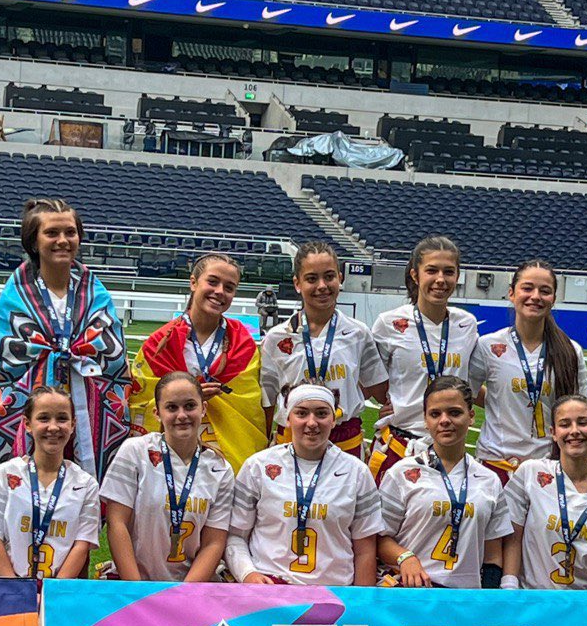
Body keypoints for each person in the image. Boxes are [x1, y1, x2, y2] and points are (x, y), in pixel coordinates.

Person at [0, 197, 130, 503]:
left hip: (85, 414)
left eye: (70, 232)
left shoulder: (95, 293)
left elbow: (114, 354)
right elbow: (1, 358)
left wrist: (78, 353)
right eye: (52, 233)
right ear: (34, 241)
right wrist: (56, 354)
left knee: (79, 499)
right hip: (31, 412)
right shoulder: (16, 295)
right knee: (21, 497)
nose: (63, 240)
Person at [225, 384, 384, 586]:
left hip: (332, 592)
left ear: (333, 419)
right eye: (301, 413)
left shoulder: (357, 472)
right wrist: (248, 574)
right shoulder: (257, 467)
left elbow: (365, 550)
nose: (312, 423)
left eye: (321, 413)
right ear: (287, 418)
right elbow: (235, 536)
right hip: (270, 588)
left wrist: (360, 600)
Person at [130, 251, 268, 474]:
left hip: (228, 456)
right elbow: (141, 400)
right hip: (170, 452)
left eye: (229, 287)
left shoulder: (243, 344)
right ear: (193, 282)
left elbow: (249, 408)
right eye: (212, 282)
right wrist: (189, 397)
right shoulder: (160, 343)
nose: (220, 291)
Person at [101, 371, 234, 582]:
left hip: (191, 586)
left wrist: (182, 594)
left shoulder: (220, 469)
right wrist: (137, 589)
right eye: (172, 407)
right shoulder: (135, 452)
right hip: (134, 581)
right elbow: (117, 522)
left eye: (190, 406)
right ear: (157, 413)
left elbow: (213, 542)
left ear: (203, 409)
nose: (182, 415)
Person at [378, 376, 510, 589]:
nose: (445, 420)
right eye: (435, 414)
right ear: (425, 420)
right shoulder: (401, 473)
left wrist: (486, 598)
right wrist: (405, 558)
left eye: (454, 412)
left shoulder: (489, 480)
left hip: (464, 599)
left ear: (471, 417)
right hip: (413, 593)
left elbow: (493, 555)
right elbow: (379, 538)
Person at [368, 235, 478, 485]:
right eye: (432, 270)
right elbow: (370, 378)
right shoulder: (389, 323)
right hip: (400, 445)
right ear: (415, 275)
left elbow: (470, 381)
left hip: (449, 447)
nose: (440, 279)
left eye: (448, 272)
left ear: (457, 276)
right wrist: (391, 400)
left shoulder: (466, 324)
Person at [260, 241, 388, 457]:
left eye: (329, 277)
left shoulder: (358, 333)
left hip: (344, 441)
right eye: (311, 279)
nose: (322, 285)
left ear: (340, 278)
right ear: (297, 283)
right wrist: (263, 443)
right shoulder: (277, 338)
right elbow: (267, 400)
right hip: (292, 440)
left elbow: (379, 388)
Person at [503, 394, 587, 596]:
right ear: (553, 433)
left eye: (582, 423)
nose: (574, 431)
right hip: (534, 600)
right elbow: (512, 536)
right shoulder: (531, 473)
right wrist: (509, 587)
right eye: (565, 424)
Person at [470, 259, 587, 486]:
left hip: (547, 469)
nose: (535, 296)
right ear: (511, 293)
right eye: (527, 288)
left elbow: (584, 409)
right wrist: (497, 401)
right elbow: (465, 394)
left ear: (553, 299)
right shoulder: (488, 346)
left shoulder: (570, 350)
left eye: (545, 291)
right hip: (495, 466)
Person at [0, 385, 101, 578]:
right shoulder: (3, 475)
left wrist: (52, 590)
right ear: (27, 424)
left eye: (62, 419)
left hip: (57, 589)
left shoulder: (86, 484)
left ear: (73, 425)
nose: (53, 427)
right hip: (8, 586)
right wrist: (15, 588)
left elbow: (81, 545)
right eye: (44, 418)